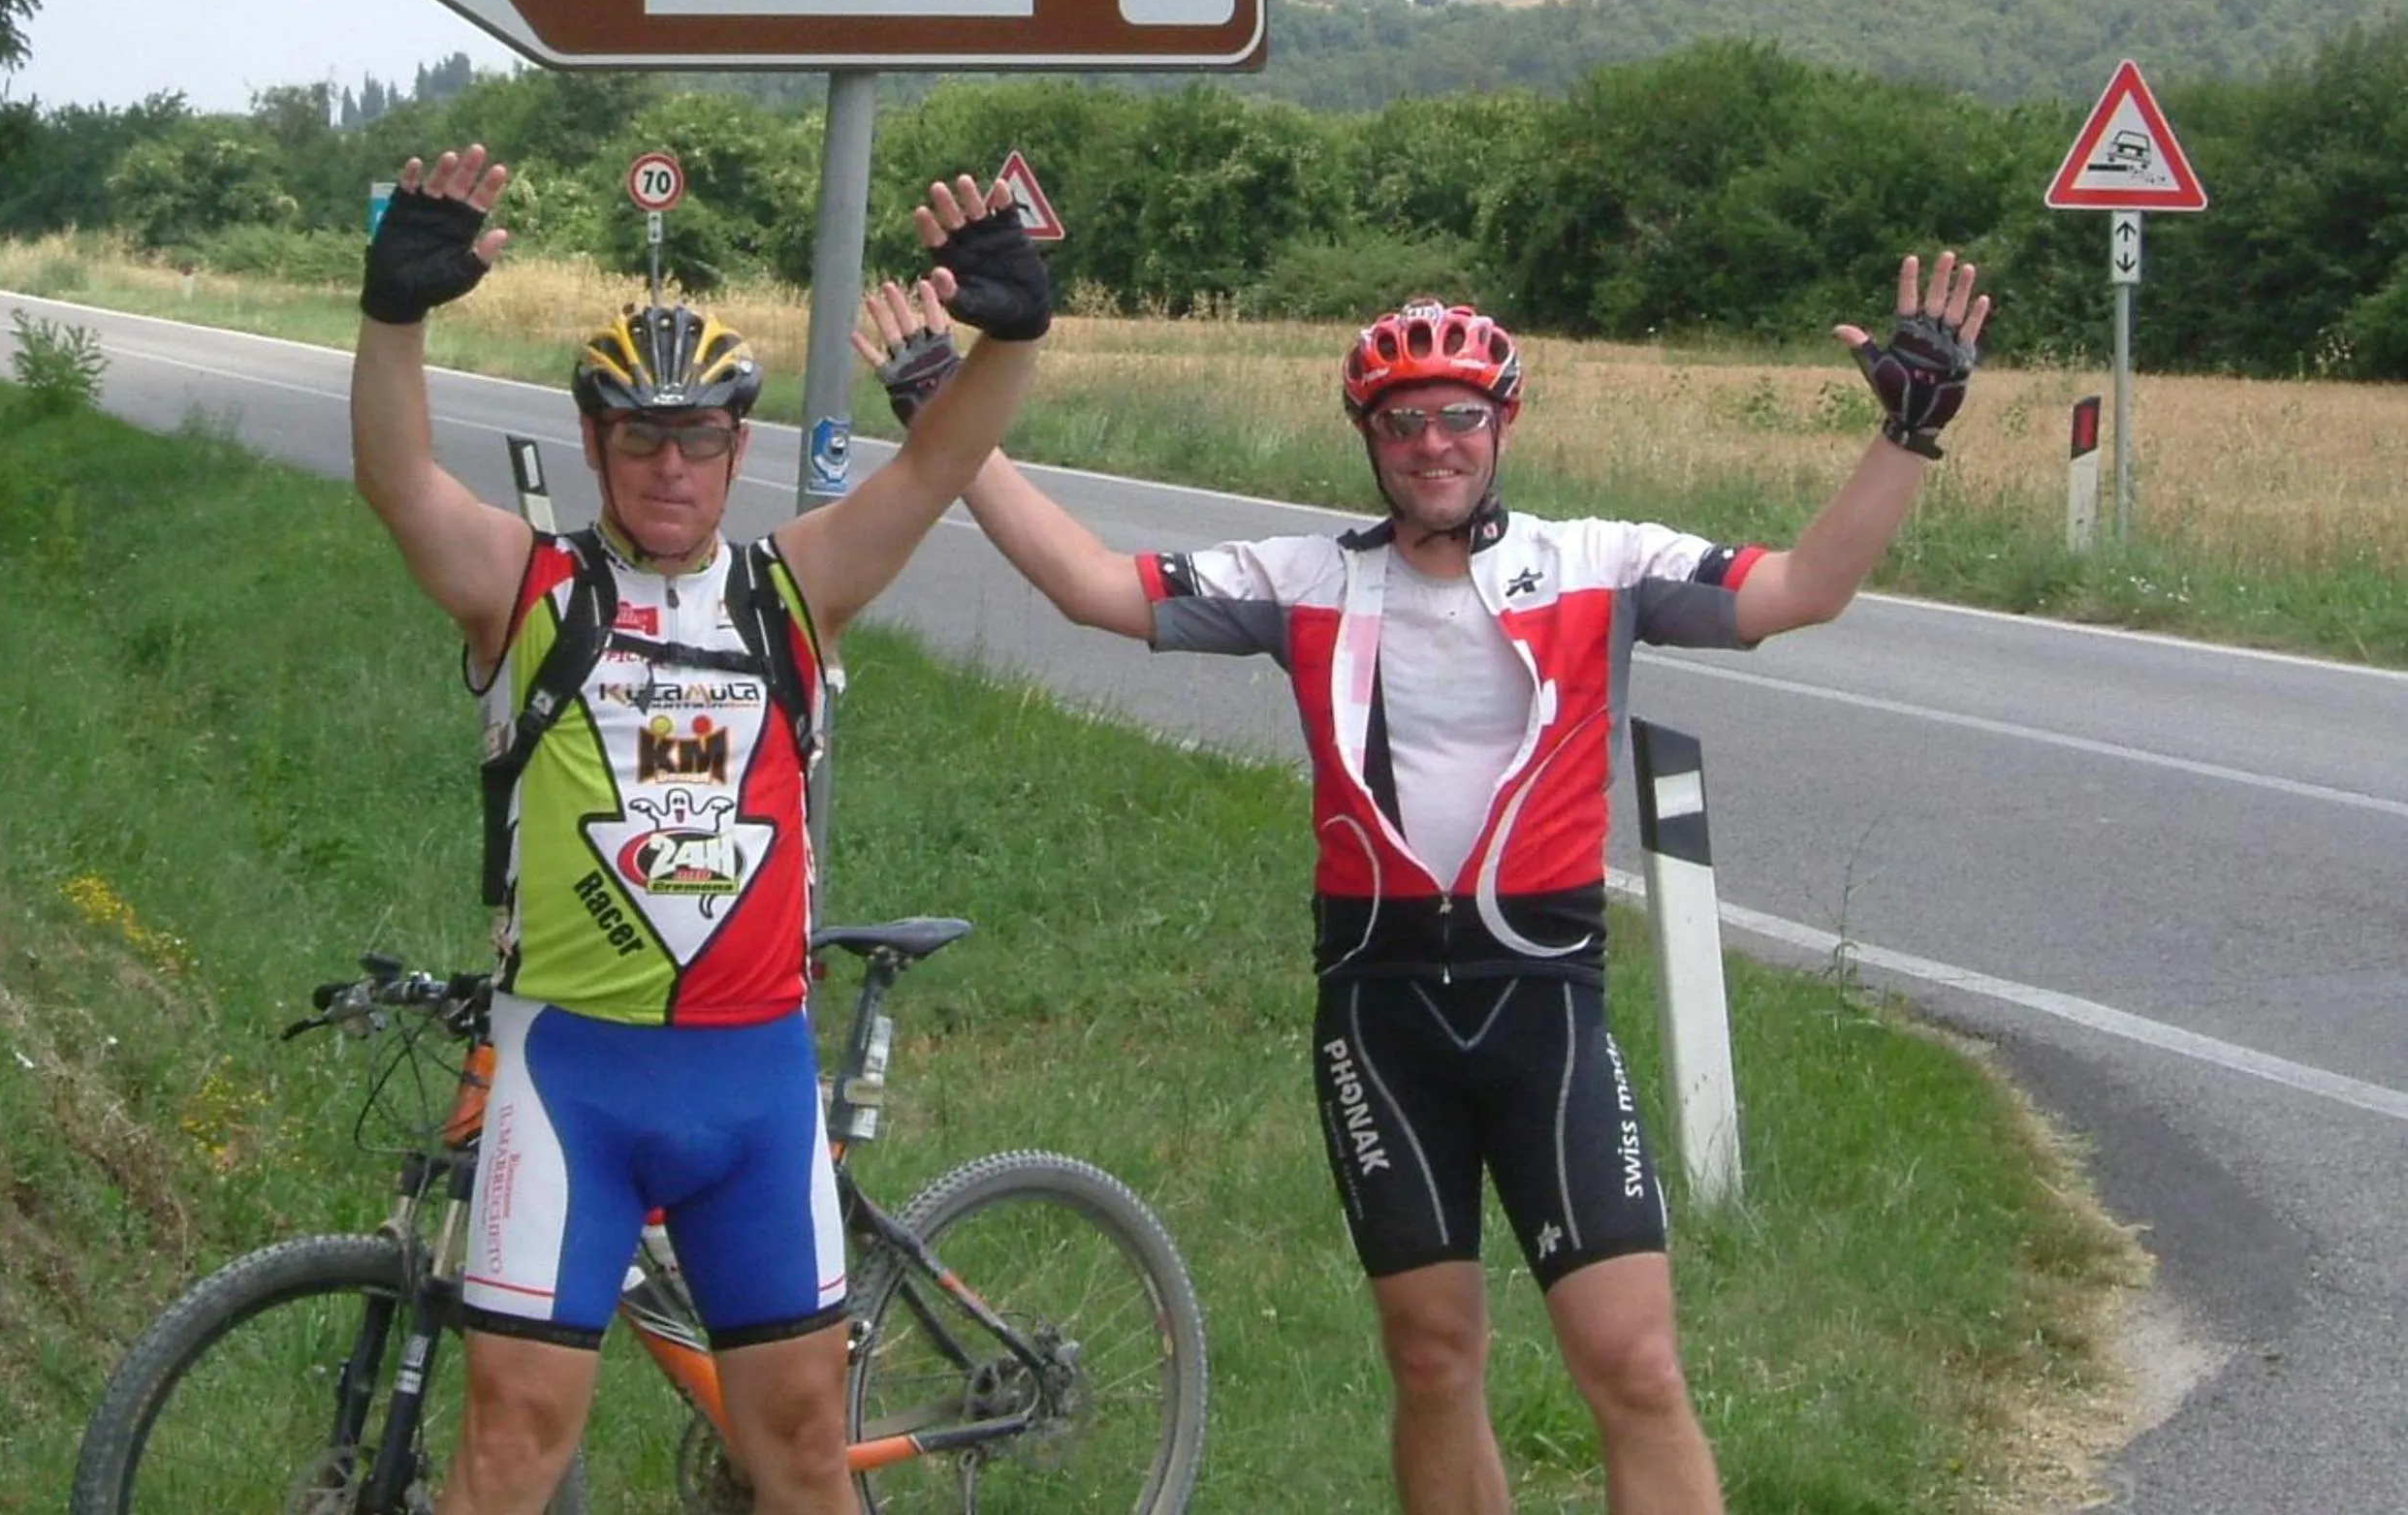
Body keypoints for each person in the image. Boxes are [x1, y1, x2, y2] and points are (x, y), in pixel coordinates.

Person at [856, 252, 1991, 1515]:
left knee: (1634, 1361)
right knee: (1434, 1360)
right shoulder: (1308, 582)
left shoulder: (1598, 564)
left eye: (1461, 416)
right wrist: (944, 413)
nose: (1435, 445)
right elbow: (1086, 584)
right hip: (1379, 1019)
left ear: (1505, 425)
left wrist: (1907, 432)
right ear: (1370, 439)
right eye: (1405, 422)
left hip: (1544, 1010)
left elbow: (1805, 589)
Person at [352, 142, 1053, 1515]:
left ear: (739, 447)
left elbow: (941, 463)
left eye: (699, 439)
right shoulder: (529, 588)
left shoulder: (795, 589)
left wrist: (1012, 337)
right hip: (571, 1080)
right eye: (640, 438)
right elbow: (396, 481)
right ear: (599, 445)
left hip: (752, 1088)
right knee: (510, 1451)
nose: (670, 467)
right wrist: (391, 320)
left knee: (795, 1452)